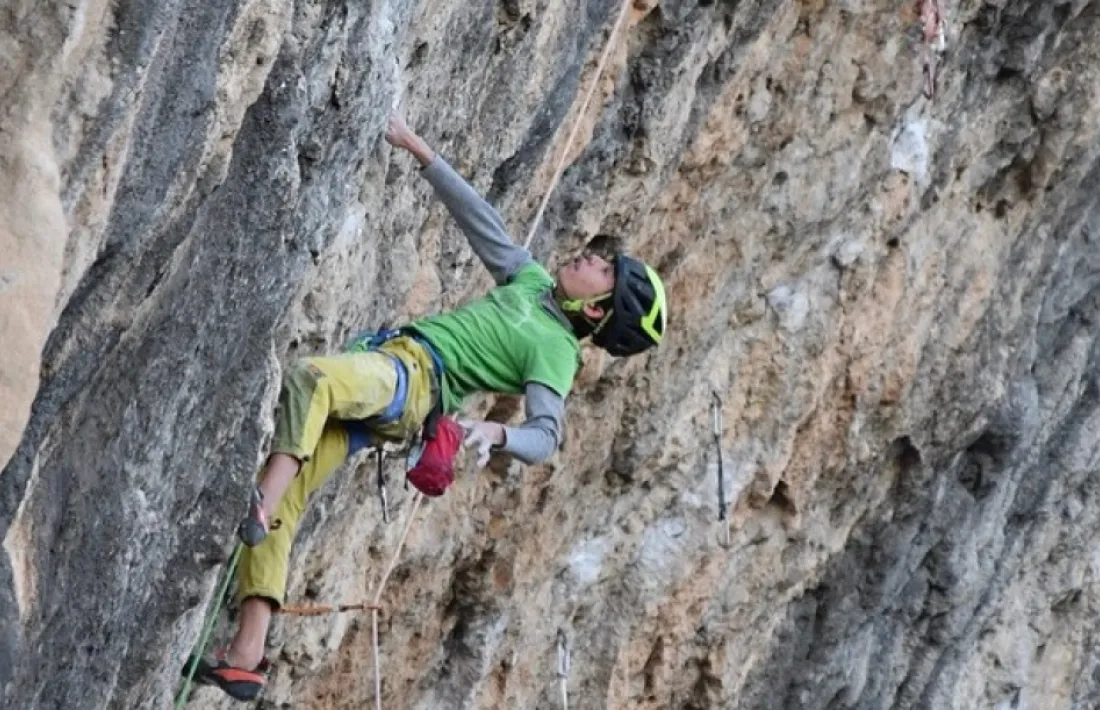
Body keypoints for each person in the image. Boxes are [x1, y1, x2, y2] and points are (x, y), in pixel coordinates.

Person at [186, 113, 668, 701]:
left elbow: (547, 435)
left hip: (412, 381)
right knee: (292, 502)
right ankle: (245, 656)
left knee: (313, 379)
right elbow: (480, 219)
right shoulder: (530, 281)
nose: (591, 258)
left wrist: (496, 433)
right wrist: (420, 150)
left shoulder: (557, 352)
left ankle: (259, 503)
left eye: (604, 271)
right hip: (396, 377)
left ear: (595, 311)